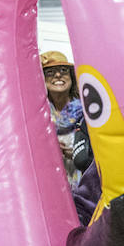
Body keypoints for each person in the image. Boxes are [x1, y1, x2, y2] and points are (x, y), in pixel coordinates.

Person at [41, 50, 88, 184]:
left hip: (84, 186)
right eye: (50, 72)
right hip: (50, 184)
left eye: (63, 70)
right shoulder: (37, 116)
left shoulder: (87, 112)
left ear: (71, 78)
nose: (57, 75)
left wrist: (79, 154)